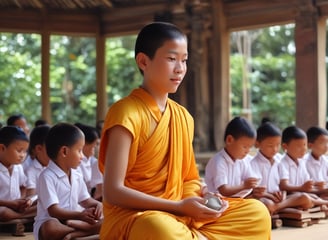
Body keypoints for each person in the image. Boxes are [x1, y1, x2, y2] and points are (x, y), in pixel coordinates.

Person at [98, 22, 271, 240]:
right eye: (171, 59)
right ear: (143, 61)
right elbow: (113, 191)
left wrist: (203, 198)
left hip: (181, 213)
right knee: (158, 229)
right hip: (138, 217)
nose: (180, 68)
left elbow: (189, 178)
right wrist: (178, 206)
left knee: (257, 212)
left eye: (184, 59)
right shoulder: (125, 113)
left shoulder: (182, 117)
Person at [33, 123, 103, 240]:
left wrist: (98, 205)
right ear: (64, 151)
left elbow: (85, 200)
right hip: (54, 222)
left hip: (74, 221)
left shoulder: (76, 174)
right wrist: (80, 215)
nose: (82, 156)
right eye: (79, 150)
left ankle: (74, 233)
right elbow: (53, 211)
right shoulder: (47, 176)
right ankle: (86, 230)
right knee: (50, 228)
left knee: (108, 218)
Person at [250, 122, 312, 214]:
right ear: (257, 144)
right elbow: (256, 192)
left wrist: (283, 194)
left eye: (277, 145)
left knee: (304, 198)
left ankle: (277, 209)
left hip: (279, 198)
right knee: (266, 204)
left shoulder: (280, 160)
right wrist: (269, 196)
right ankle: (281, 210)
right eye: (270, 146)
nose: (275, 149)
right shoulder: (253, 163)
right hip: (265, 198)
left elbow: (283, 185)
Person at [204, 116, 259, 197]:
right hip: (218, 201)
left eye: (250, 147)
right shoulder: (218, 161)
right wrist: (244, 186)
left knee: (260, 204)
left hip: (236, 199)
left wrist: (255, 187)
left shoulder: (244, 160)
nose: (247, 151)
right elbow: (224, 191)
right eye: (244, 147)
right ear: (229, 140)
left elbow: (250, 180)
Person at [279, 126, 328, 206]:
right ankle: (324, 203)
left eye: (304, 145)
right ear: (285, 146)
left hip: (301, 194)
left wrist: (317, 186)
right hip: (290, 196)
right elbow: (284, 186)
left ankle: (322, 204)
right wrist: (301, 188)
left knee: (312, 197)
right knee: (305, 197)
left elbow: (307, 186)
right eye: (299, 146)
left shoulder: (301, 162)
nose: (304, 149)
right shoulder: (282, 163)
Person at [0, 126, 36, 229]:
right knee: (3, 212)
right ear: (2, 148)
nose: (22, 155)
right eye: (19, 150)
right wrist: (10, 203)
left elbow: (23, 186)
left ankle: (17, 219)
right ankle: (24, 220)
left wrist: (23, 200)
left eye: (25, 151)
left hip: (16, 208)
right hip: (4, 208)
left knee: (41, 203)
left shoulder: (18, 168)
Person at [75, 123, 103, 201]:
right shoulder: (75, 163)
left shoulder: (93, 161)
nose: (97, 148)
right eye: (95, 144)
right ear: (84, 144)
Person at [25, 125, 51, 196]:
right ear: (39, 149)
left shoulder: (54, 168)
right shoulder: (31, 172)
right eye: (52, 149)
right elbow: (30, 199)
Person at [304, 126, 328, 198]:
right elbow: (304, 186)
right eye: (322, 143)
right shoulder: (304, 162)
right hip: (312, 194)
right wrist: (315, 184)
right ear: (310, 145)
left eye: (327, 143)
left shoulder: (326, 161)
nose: (326, 146)